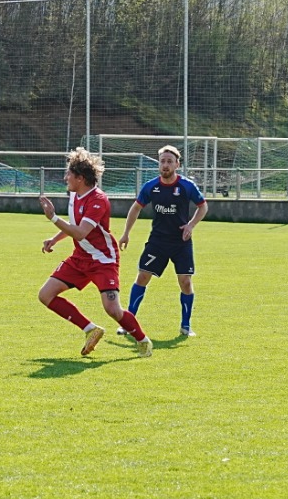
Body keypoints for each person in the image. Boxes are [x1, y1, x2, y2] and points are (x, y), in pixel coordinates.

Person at [37, 147, 152, 357]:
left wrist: (53, 218)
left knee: (112, 310)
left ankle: (143, 341)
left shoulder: (98, 199)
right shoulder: (75, 195)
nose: (65, 178)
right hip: (80, 258)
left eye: (69, 174)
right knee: (45, 295)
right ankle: (91, 329)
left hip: (103, 260)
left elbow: (81, 232)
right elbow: (74, 225)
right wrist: (54, 239)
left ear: (80, 178)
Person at [119, 145, 208, 337]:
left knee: (185, 282)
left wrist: (191, 225)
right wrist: (126, 233)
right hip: (158, 241)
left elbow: (203, 206)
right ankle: (127, 323)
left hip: (181, 242)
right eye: (162, 161)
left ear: (177, 164)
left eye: (169, 161)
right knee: (142, 277)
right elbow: (135, 208)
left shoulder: (187, 186)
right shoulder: (151, 186)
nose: (165, 165)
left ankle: (186, 326)